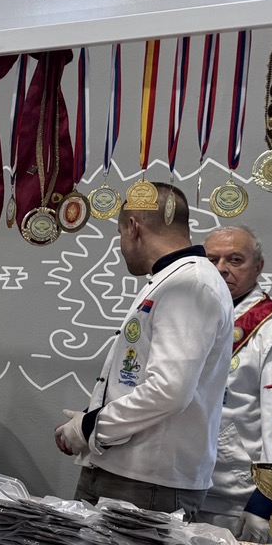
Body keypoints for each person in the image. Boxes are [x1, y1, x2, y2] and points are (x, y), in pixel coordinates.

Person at [54, 182, 231, 515]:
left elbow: (169, 391)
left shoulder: (190, 285)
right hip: (127, 471)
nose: (122, 246)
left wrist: (91, 427)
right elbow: (140, 378)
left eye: (120, 232)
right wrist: (91, 420)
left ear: (133, 227)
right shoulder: (172, 280)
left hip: (148, 482)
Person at [197, 225, 272, 540]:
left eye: (235, 260)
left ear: (258, 267)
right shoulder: (192, 321)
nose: (222, 268)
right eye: (212, 260)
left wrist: (266, 501)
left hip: (238, 503)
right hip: (183, 489)